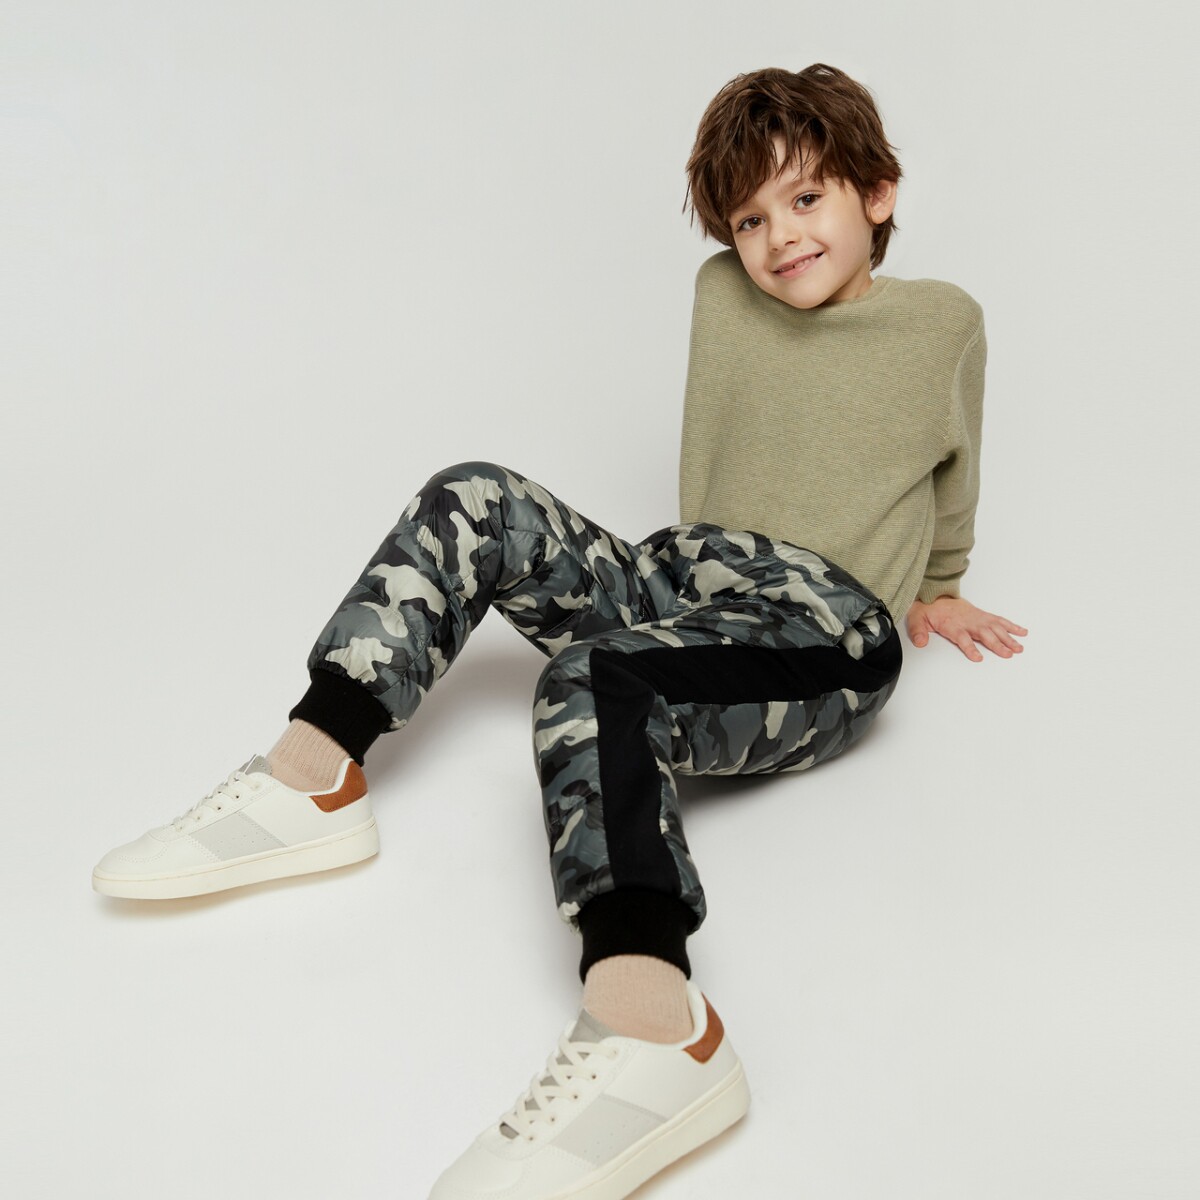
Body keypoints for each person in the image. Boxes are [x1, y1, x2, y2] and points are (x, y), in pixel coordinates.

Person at [93, 64, 1026, 1199]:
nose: (779, 237)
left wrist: (940, 582)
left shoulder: (942, 323)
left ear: (878, 194)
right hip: (682, 577)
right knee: (474, 496)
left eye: (807, 198)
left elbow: (954, 461)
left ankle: (657, 1027)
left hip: (823, 621)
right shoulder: (723, 294)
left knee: (599, 680)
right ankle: (312, 776)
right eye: (748, 218)